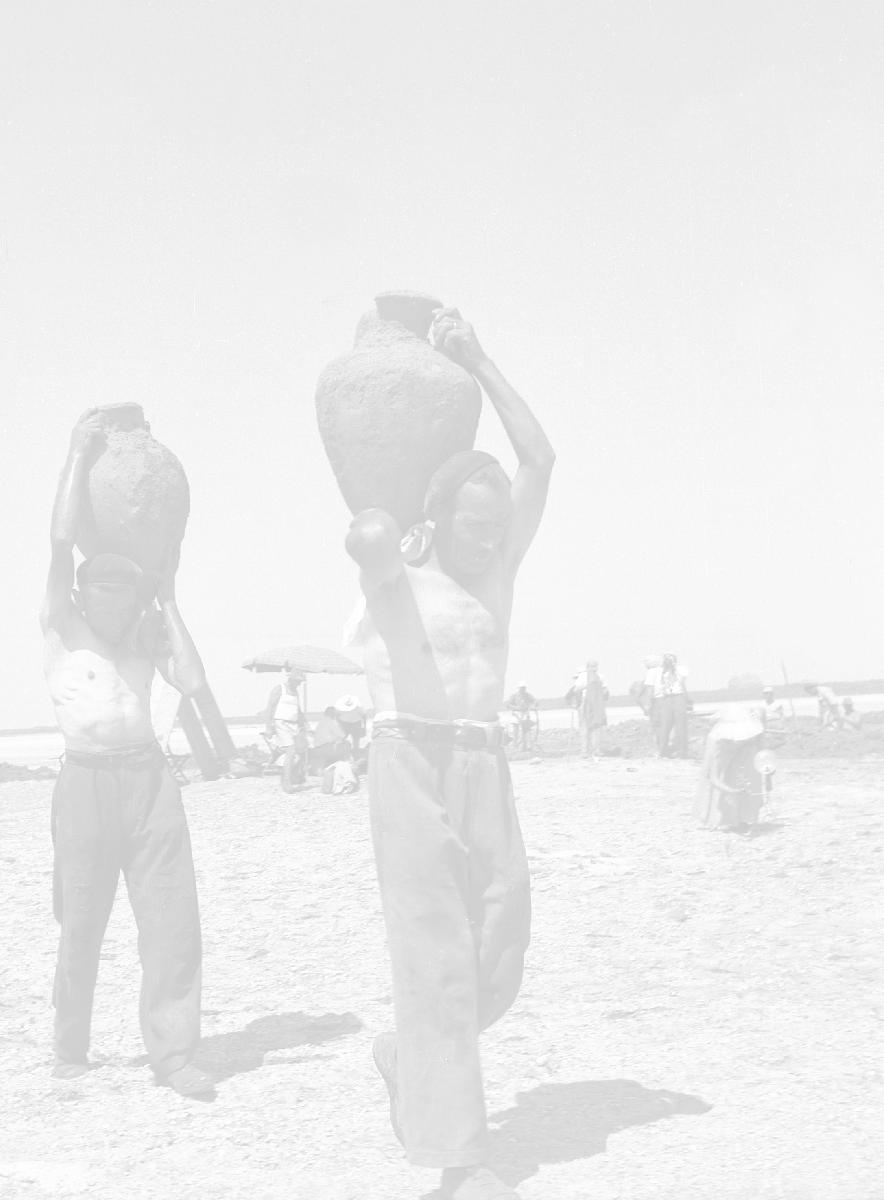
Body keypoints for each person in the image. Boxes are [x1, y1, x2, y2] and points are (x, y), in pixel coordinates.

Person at [344, 306, 553, 1200]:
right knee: (435, 959)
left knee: (497, 952)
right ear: (437, 519)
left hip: (483, 762)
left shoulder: (498, 571)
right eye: (472, 525)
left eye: (495, 525)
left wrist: (478, 359)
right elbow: (363, 542)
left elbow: (539, 459)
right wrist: (384, 533)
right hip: (409, 762)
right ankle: (457, 1157)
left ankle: (408, 1055)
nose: (488, 538)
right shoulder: (400, 576)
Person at [41, 409, 213, 1097]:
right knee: (80, 922)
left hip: (148, 781)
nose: (111, 609)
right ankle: (70, 1045)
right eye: (101, 596)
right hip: (84, 783)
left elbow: (192, 681)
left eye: (123, 598)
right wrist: (77, 455)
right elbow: (61, 542)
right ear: (82, 595)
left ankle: (173, 1056)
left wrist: (167, 598)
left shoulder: (145, 633)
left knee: (172, 923)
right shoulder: (62, 625)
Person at [693, 708, 765, 832]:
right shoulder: (717, 745)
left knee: (750, 776)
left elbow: (759, 747)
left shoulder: (748, 734)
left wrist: (764, 763)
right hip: (726, 752)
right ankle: (724, 818)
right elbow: (713, 779)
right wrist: (730, 791)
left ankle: (746, 817)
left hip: (746, 748)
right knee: (726, 780)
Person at [265, 668, 308, 792]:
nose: (299, 684)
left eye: (300, 682)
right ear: (291, 679)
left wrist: (306, 725)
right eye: (298, 681)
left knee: (298, 750)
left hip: (294, 724)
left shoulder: (295, 692)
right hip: (281, 723)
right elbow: (269, 708)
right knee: (291, 750)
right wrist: (268, 727)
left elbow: (298, 711)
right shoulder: (279, 689)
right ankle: (286, 782)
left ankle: (289, 777)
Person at [569, 661, 609, 758]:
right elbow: (605, 691)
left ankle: (585, 751)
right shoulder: (599, 677)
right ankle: (595, 751)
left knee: (585, 727)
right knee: (596, 727)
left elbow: (576, 690)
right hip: (595, 704)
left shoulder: (584, 677)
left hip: (587, 704)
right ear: (596, 667)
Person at [655, 652, 691, 758]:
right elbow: (659, 685)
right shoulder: (661, 671)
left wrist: (674, 667)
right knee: (665, 726)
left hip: (678, 696)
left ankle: (682, 752)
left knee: (681, 726)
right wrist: (664, 670)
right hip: (667, 697)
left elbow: (684, 675)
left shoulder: (680, 669)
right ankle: (662, 752)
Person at [310, 705, 352, 772]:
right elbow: (342, 735)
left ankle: (335, 767)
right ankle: (347, 767)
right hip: (326, 750)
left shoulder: (321, 722)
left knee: (336, 747)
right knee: (346, 747)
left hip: (317, 750)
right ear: (333, 714)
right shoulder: (330, 721)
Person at [505, 683, 537, 751]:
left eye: (523, 688)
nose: (522, 689)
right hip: (516, 713)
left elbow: (535, 701)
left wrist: (532, 706)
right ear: (519, 688)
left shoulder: (528, 695)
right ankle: (514, 747)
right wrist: (515, 707)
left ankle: (523, 747)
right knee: (515, 731)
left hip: (525, 713)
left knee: (525, 730)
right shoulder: (514, 696)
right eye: (521, 688)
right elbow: (508, 704)